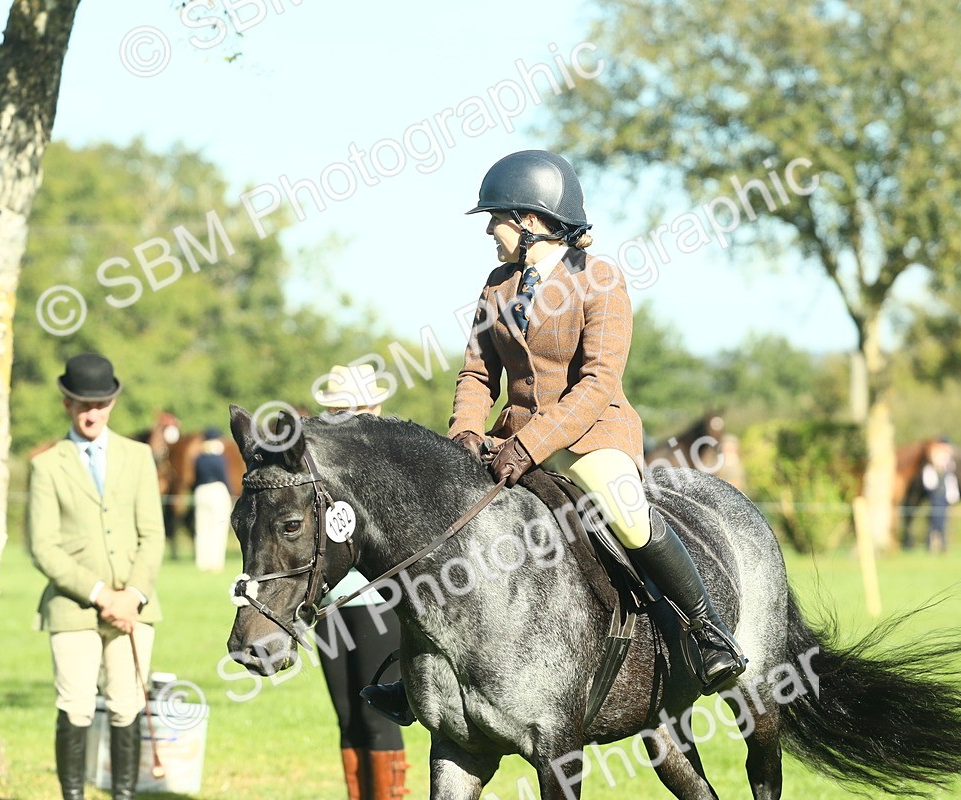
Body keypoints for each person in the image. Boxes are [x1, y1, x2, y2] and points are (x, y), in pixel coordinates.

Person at [362, 150, 745, 725]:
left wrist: (531, 446)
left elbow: (597, 384)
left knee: (625, 510)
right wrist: (465, 431)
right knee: (436, 519)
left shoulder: (601, 280)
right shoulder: (497, 285)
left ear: (532, 221)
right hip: (508, 439)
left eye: (496, 218)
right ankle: (417, 673)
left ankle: (706, 630)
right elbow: (476, 372)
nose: (489, 230)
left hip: (592, 436)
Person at [28, 353, 166, 800]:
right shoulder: (47, 466)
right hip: (72, 608)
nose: (93, 413)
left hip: (135, 606)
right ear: (67, 403)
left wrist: (134, 594)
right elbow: (42, 545)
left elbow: (153, 535)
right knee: (76, 705)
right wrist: (100, 593)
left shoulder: (139, 456)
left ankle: (123, 795)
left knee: (127, 705)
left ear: (112, 404)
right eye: (84, 404)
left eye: (101, 404)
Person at [313, 364, 410, 799]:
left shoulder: (392, 465)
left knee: (377, 719)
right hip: (329, 606)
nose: (345, 419)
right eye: (337, 411)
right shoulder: (322, 467)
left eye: (353, 409)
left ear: (375, 408)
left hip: (377, 605)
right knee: (347, 717)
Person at [192, 426, 232, 572]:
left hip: (201, 491)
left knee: (202, 528)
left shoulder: (198, 459)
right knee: (218, 529)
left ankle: (202, 562)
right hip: (217, 491)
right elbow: (224, 479)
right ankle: (215, 562)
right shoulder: (220, 460)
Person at [922, 436, 960, 554]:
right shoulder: (931, 467)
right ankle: (931, 546)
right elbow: (930, 483)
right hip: (935, 496)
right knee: (935, 521)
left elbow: (951, 481)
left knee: (943, 522)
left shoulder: (948, 467)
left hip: (944, 497)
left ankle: (943, 546)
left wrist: (953, 495)